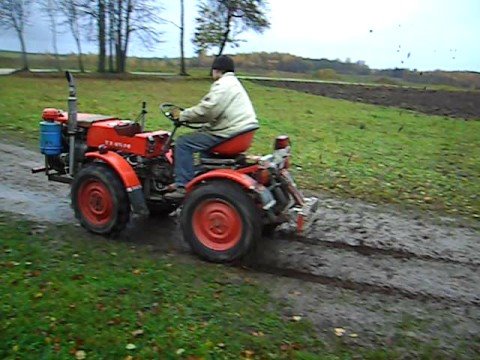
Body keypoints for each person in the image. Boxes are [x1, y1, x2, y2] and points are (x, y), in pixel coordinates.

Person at [165, 55, 259, 200]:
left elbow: (208, 110)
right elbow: (216, 115)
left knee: (183, 143)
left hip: (230, 133)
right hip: (240, 131)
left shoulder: (223, 85)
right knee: (203, 148)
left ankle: (182, 184)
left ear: (216, 70)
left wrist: (182, 115)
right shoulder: (234, 83)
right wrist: (199, 123)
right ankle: (201, 181)